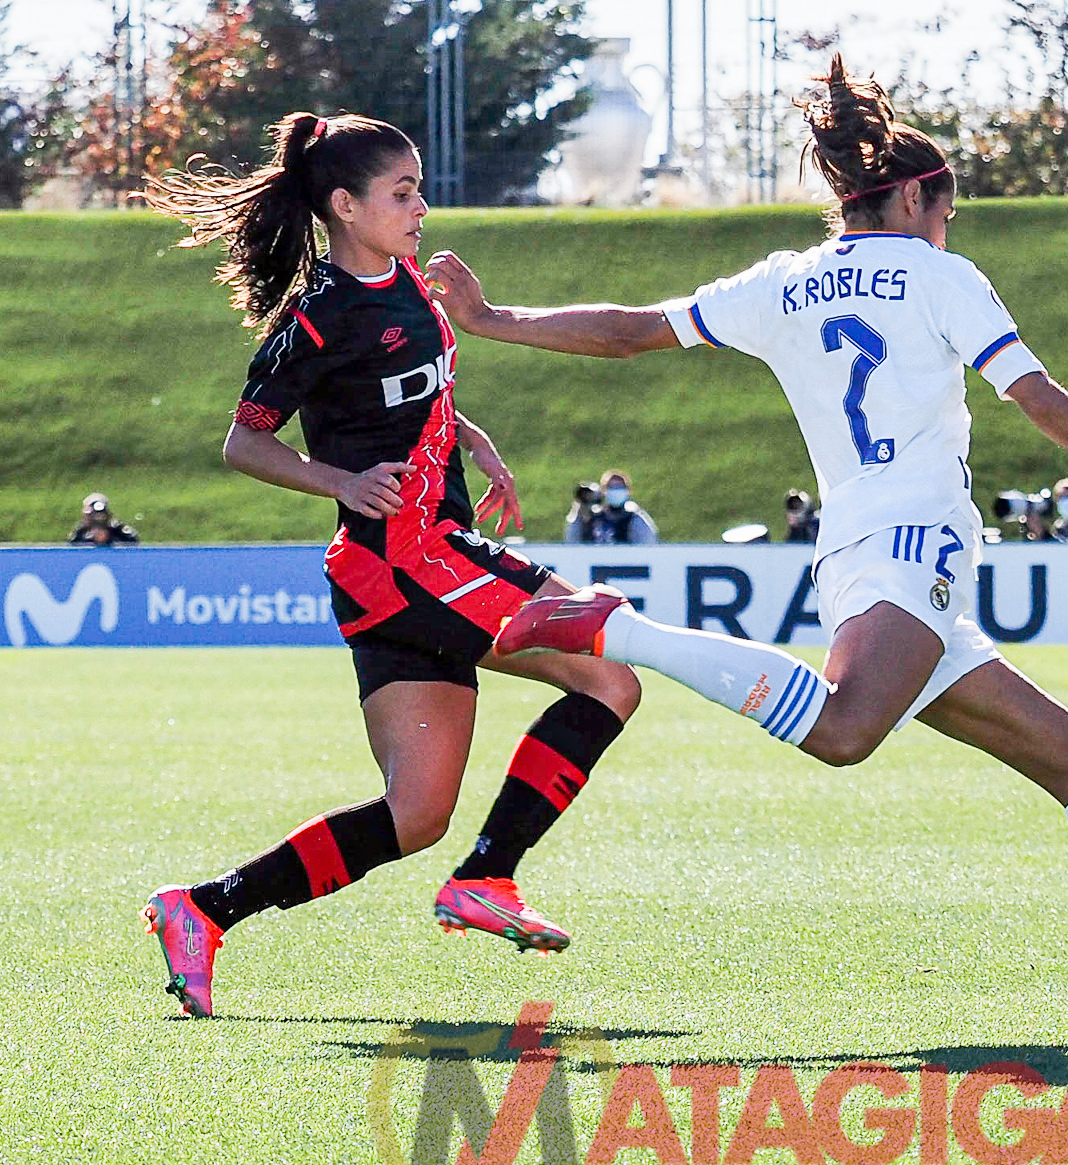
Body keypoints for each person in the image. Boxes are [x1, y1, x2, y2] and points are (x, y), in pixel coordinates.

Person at [424, 57, 1068, 1012]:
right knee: (846, 731)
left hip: (868, 551)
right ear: (906, 200)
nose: (946, 227)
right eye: (944, 210)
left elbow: (624, 330)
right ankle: (619, 629)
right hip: (909, 543)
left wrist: (490, 319)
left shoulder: (783, 282)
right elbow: (1032, 393)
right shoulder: (941, 277)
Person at [135, 111, 642, 1018]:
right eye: (401, 194)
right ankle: (487, 879)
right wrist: (340, 478)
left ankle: (203, 910)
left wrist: (475, 445)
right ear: (344, 205)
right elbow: (244, 444)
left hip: (421, 563)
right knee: (608, 675)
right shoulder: (317, 318)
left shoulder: (414, 280)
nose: (419, 208)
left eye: (418, 190)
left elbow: (418, 393)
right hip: (405, 563)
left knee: (415, 815)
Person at [590, 470, 659, 544]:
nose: (615, 490)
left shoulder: (636, 519)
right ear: (603, 491)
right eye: (611, 487)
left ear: (628, 491)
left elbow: (649, 543)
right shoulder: (593, 517)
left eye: (620, 487)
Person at [69, 493, 140, 546]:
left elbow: (133, 542)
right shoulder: (81, 531)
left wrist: (111, 540)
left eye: (101, 514)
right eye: (93, 515)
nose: (98, 518)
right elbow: (71, 545)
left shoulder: (117, 528)